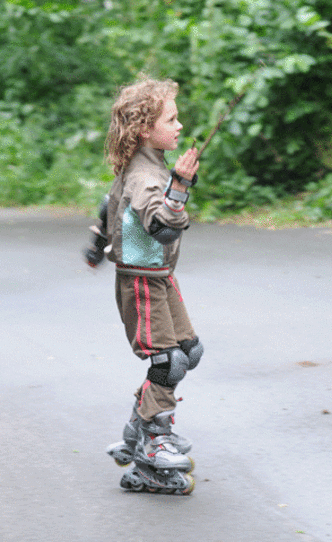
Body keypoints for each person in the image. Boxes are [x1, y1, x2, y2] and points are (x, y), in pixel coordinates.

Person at [88, 76, 203, 494]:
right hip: (141, 282)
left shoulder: (145, 163)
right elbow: (162, 227)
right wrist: (180, 186)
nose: (179, 125)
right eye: (170, 119)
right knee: (168, 362)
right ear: (143, 129)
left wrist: (96, 244)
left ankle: (139, 427)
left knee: (189, 351)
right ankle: (153, 444)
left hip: (160, 278)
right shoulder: (146, 176)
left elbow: (109, 203)